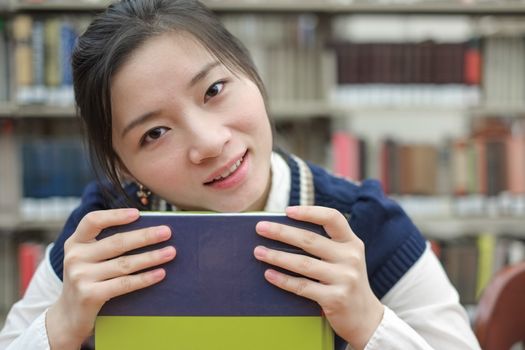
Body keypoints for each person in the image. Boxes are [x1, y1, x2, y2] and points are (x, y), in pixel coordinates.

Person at [0, 0, 481, 349]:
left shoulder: (366, 224)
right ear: (123, 164)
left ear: (252, 74)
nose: (209, 143)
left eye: (214, 89)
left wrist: (369, 322)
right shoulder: (105, 227)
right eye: (155, 133)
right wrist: (59, 327)